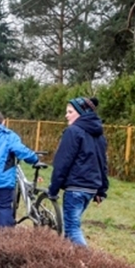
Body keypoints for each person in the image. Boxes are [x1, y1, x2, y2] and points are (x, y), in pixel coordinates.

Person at [47, 97, 109, 246]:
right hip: (90, 188)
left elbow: (62, 162)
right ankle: (73, 263)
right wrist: (101, 190)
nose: (66, 115)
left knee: (72, 229)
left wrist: (53, 189)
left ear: (81, 113)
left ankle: (87, 264)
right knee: (71, 228)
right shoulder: (98, 134)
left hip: (76, 187)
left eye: (70, 112)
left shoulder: (73, 131)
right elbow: (103, 163)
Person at [0, 110, 39, 228]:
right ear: (4, 122)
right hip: (3, 179)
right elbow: (20, 150)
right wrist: (34, 159)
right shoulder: (8, 136)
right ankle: (5, 238)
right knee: (4, 207)